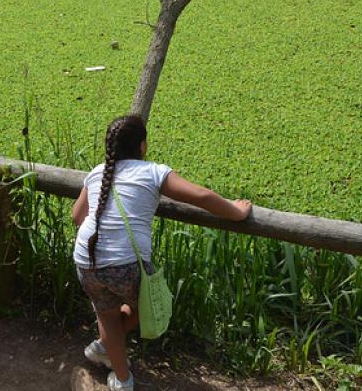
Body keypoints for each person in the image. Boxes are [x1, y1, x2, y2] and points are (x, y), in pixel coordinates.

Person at [71, 114, 252, 391]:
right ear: (142, 145)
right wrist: (237, 212)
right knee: (155, 303)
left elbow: (77, 216)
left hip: (86, 259)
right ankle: (107, 347)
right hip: (125, 264)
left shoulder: (97, 172)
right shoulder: (153, 172)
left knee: (108, 316)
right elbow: (201, 196)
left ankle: (119, 375)